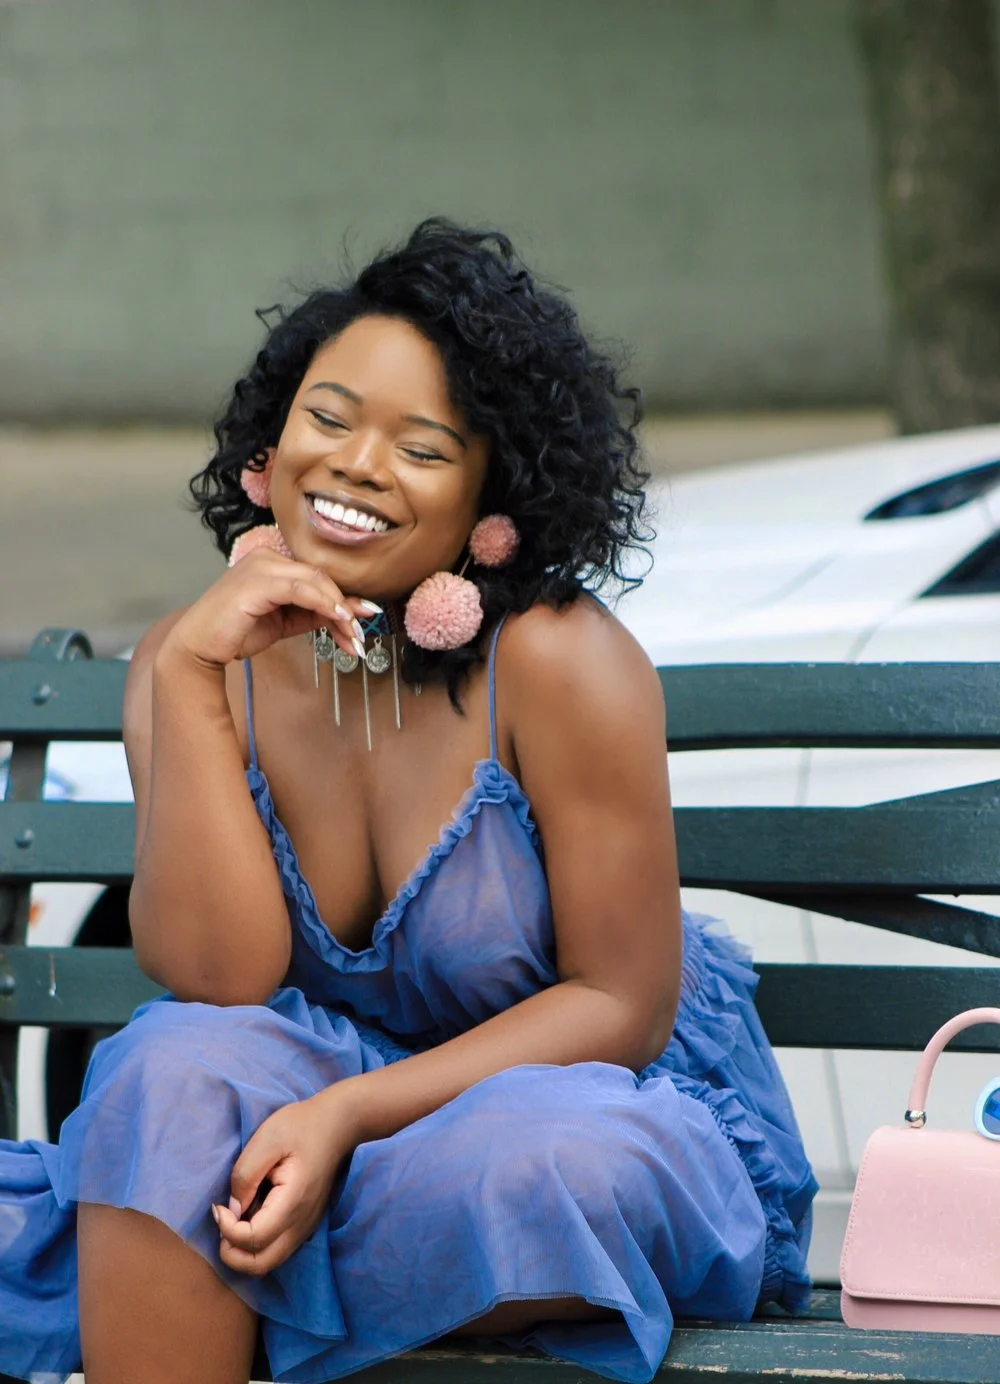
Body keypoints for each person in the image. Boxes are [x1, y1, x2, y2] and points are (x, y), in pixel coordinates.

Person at [0, 220, 816, 1384]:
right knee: (164, 1073)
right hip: (298, 1103)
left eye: (422, 448)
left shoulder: (558, 663)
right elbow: (214, 982)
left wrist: (343, 1123)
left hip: (561, 1099)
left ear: (494, 496)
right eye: (327, 419)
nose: (356, 465)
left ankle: (184, 1271)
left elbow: (620, 1004)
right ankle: (210, 1251)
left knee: (541, 1172)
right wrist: (186, 680)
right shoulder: (196, 658)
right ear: (269, 443)